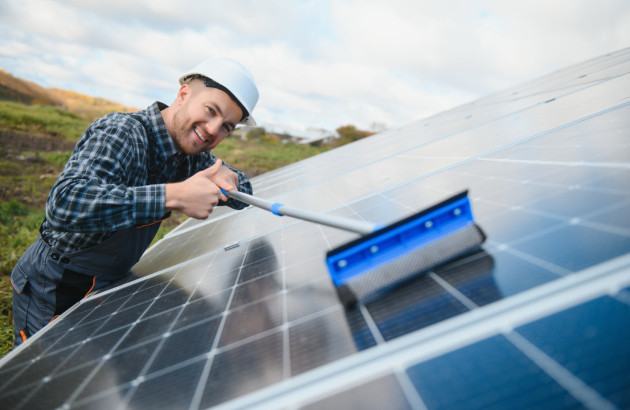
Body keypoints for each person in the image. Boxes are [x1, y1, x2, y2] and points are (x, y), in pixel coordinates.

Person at [10, 58, 259, 348]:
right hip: (54, 286)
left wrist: (232, 178)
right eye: (211, 111)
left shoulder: (191, 155)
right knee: (44, 376)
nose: (214, 130)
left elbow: (245, 194)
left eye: (226, 126)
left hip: (108, 283)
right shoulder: (122, 133)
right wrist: (174, 195)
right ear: (183, 95)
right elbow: (65, 203)